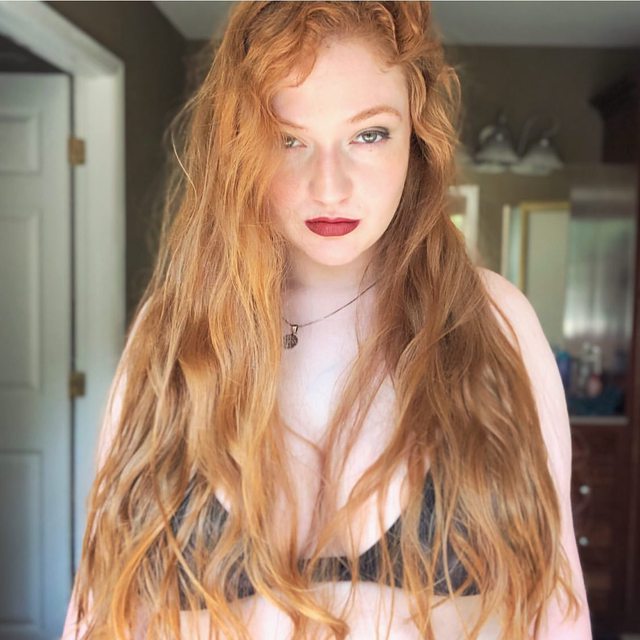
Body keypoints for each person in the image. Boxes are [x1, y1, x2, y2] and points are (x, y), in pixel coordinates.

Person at [61, 2, 592, 638]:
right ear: (239, 148)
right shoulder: (175, 331)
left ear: (417, 136)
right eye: (288, 139)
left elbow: (558, 612)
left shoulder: (493, 320)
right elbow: (99, 612)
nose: (330, 186)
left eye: (369, 135)